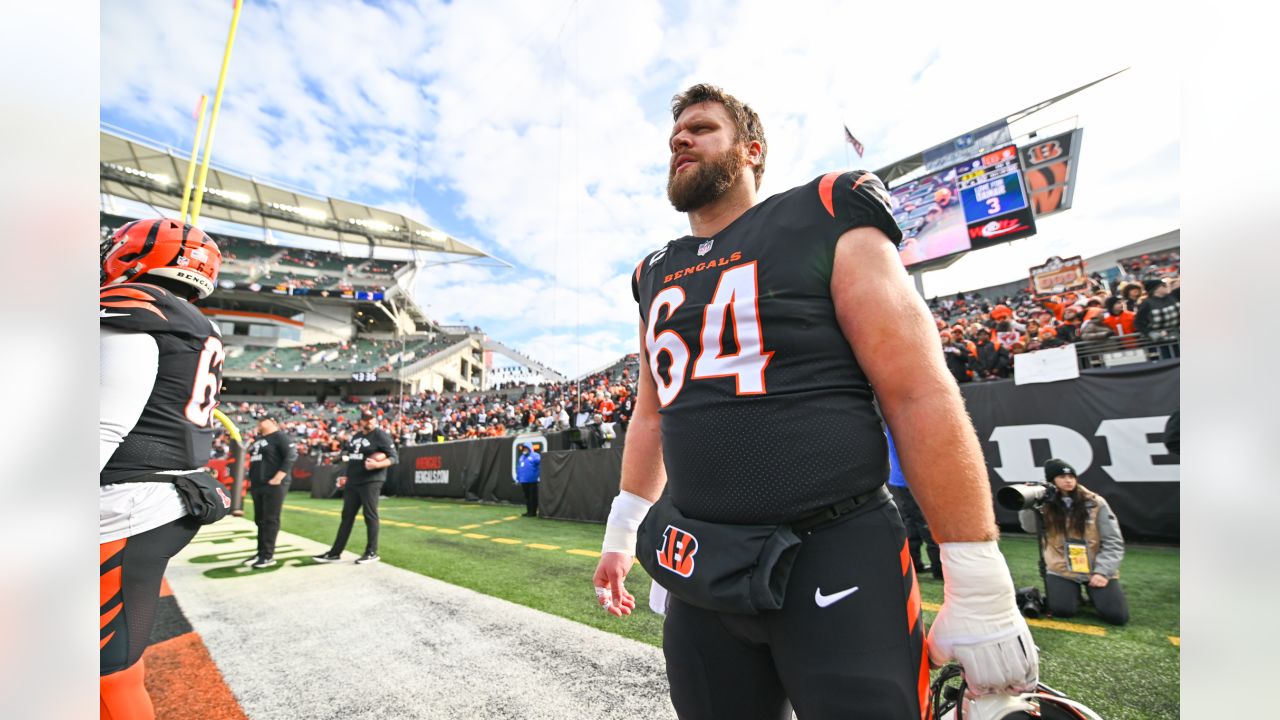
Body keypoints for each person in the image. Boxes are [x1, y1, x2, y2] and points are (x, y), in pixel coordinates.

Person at [591, 84, 1036, 720]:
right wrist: (622, 533)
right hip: (702, 562)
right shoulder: (653, 272)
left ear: (751, 149)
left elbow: (916, 390)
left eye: (701, 128)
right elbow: (653, 414)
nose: (679, 141)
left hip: (833, 547)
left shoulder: (824, 210)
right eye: (674, 135)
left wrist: (977, 572)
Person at [99, 218, 225, 720]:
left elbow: (102, 427)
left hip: (121, 505)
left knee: (94, 665)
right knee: (114, 662)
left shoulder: (137, 311)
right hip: (160, 500)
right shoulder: (191, 321)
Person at [1019, 459, 1129, 625]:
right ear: (1052, 481)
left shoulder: (1095, 502)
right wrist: (1029, 503)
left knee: (1117, 617)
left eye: (1071, 476)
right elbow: (1029, 528)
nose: (1068, 480)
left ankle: (1095, 593)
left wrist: (1103, 572)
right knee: (1062, 611)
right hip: (1061, 569)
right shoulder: (1045, 504)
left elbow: (1113, 540)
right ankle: (1049, 594)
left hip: (1094, 567)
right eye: (1062, 476)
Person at [312, 410, 397, 565]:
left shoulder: (380, 435)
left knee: (370, 515)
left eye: (371, 419)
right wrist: (343, 461)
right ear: (361, 421)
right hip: (354, 480)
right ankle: (335, 553)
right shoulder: (357, 437)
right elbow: (351, 454)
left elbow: (394, 457)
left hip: (371, 480)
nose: (369, 422)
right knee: (347, 517)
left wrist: (378, 464)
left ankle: (372, 551)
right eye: (366, 419)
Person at [886, 428, 942, 580]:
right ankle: (939, 568)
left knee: (912, 522)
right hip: (913, 479)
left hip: (901, 479)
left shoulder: (895, 421)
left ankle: (915, 564)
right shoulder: (904, 423)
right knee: (925, 522)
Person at [243, 415, 298, 569]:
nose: (259, 424)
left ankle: (268, 555)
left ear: (272, 422)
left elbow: (291, 455)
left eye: (262, 421)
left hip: (273, 484)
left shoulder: (280, 436)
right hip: (258, 484)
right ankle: (261, 552)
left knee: (270, 519)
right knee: (259, 520)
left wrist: (278, 477)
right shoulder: (257, 439)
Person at [516, 442, 541, 517]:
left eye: (526, 448)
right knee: (527, 497)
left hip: (532, 481)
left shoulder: (535, 455)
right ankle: (528, 511)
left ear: (529, 448)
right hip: (524, 481)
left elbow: (541, 463)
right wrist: (518, 478)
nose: (524, 449)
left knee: (532, 497)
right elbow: (519, 469)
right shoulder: (521, 457)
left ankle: (533, 512)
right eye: (523, 448)